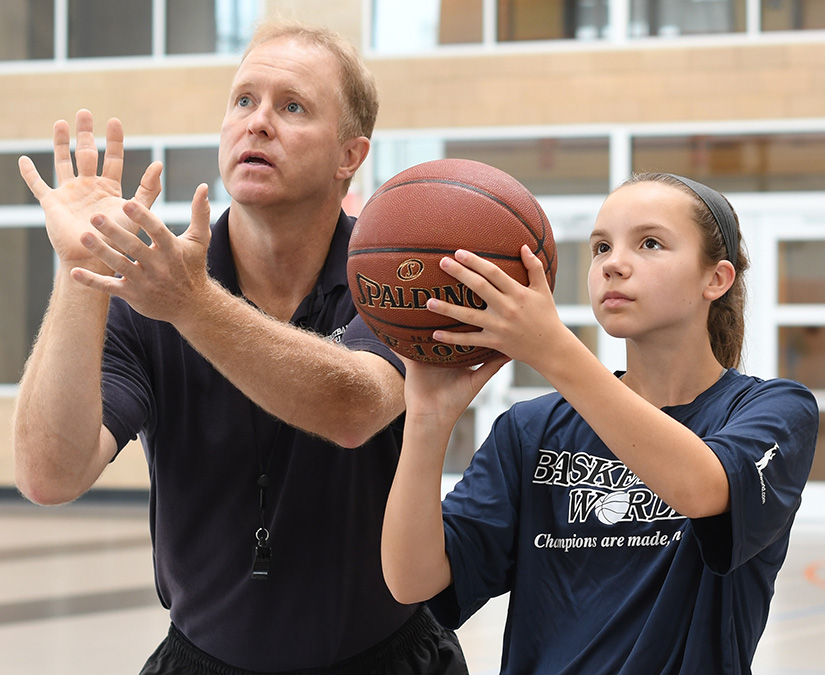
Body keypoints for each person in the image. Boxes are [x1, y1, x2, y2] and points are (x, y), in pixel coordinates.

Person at [13, 20, 468, 675]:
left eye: (293, 106)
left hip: (389, 656)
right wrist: (81, 269)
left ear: (349, 156)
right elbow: (49, 475)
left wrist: (195, 306)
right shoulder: (154, 291)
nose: (257, 122)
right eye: (243, 100)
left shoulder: (396, 279)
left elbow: (354, 407)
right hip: (203, 658)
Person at [381, 172, 819, 674]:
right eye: (601, 247)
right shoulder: (531, 429)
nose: (613, 264)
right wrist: (428, 419)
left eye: (650, 243)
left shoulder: (774, 411)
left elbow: (700, 488)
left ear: (715, 279)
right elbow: (412, 581)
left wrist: (553, 349)